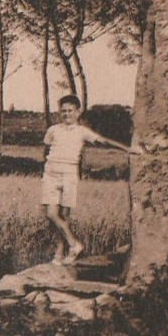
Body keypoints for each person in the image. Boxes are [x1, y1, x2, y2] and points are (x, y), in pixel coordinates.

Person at [42, 94, 134, 265]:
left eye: (70, 111)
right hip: (50, 174)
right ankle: (74, 244)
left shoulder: (82, 131)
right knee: (51, 214)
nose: (66, 114)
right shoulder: (53, 130)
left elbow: (103, 141)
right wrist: (46, 169)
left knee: (63, 216)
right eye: (63, 111)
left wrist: (127, 149)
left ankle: (60, 254)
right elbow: (46, 151)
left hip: (69, 174)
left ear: (78, 112)